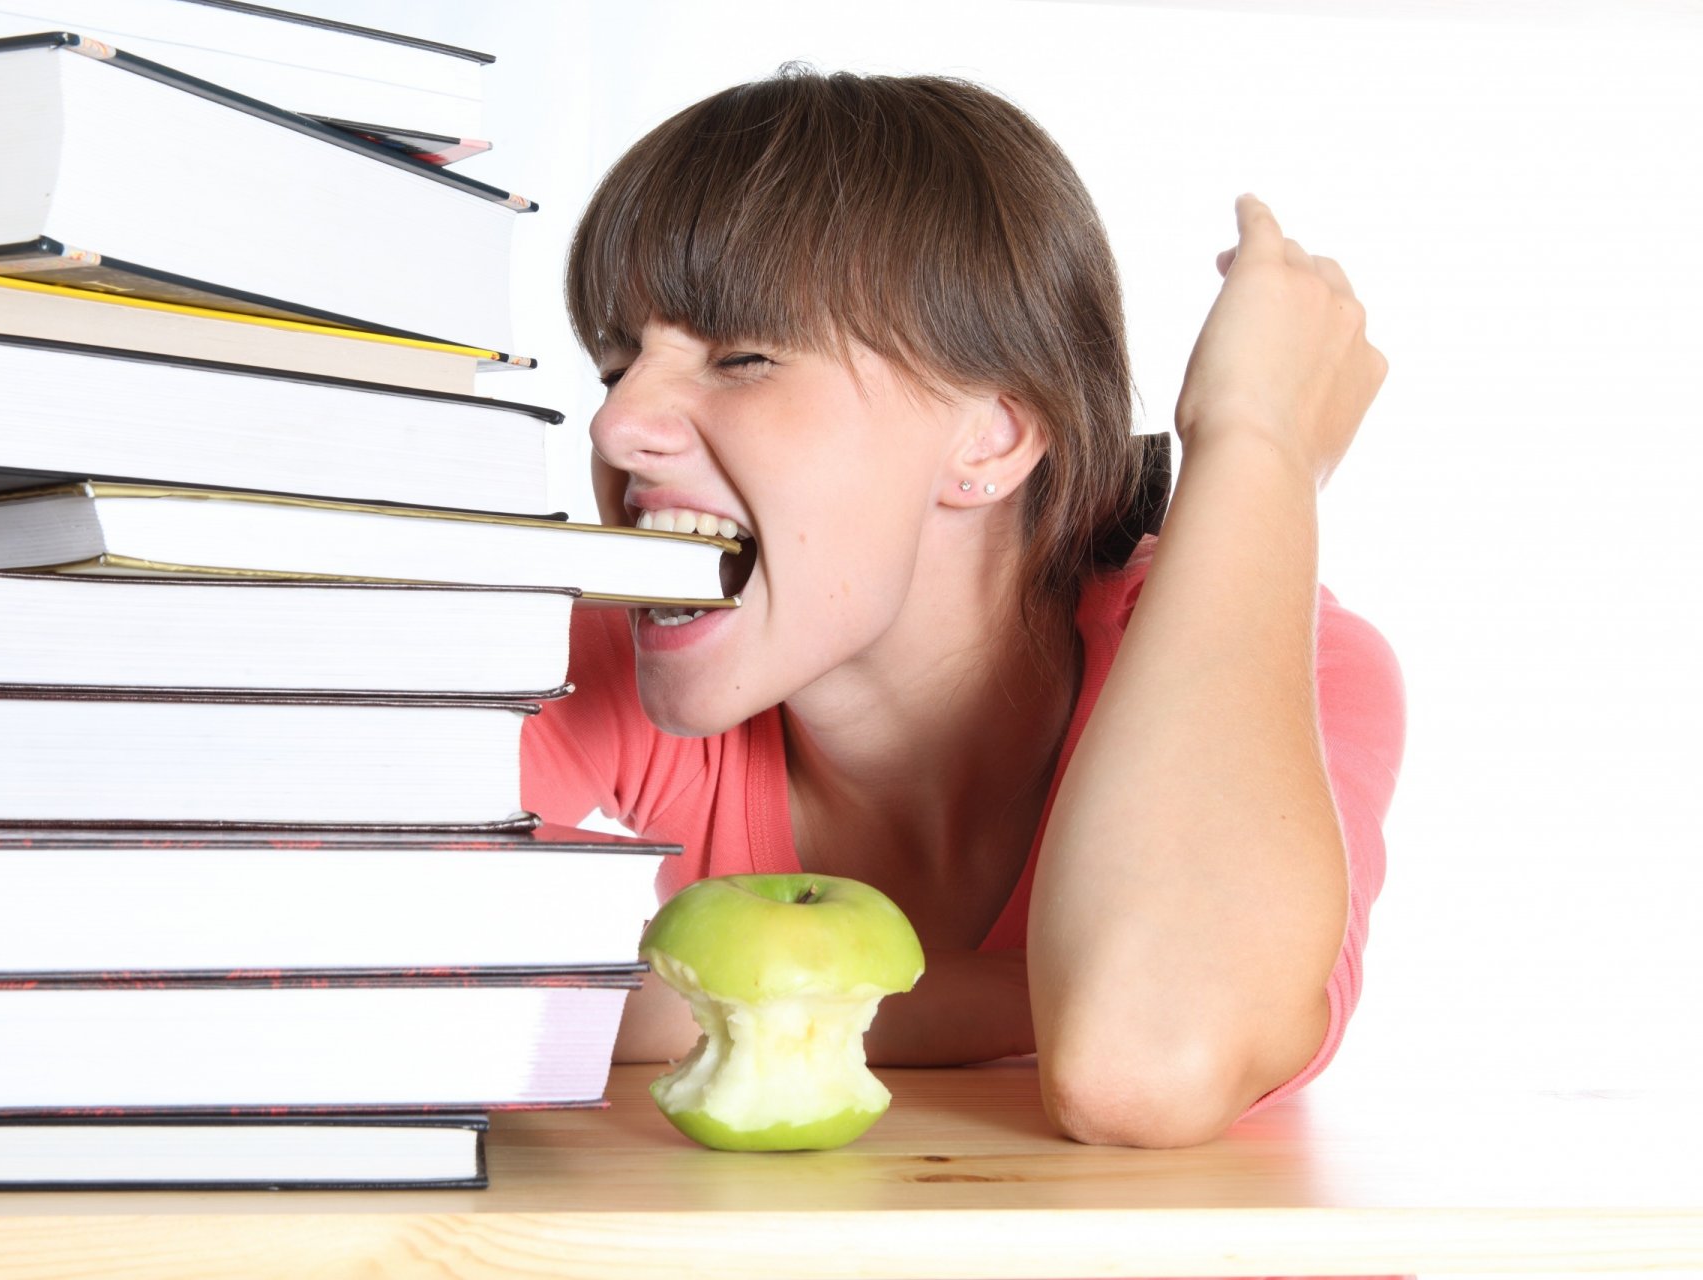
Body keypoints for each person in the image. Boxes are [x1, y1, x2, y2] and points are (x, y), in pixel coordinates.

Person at [522, 66, 1404, 1150]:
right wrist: (1013, 994)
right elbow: (362, 982)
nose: (616, 427)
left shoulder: (1300, 674)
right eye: (615, 365)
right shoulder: (589, 656)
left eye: (742, 355)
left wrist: (1257, 443)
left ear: (989, 438)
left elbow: (1143, 1060)